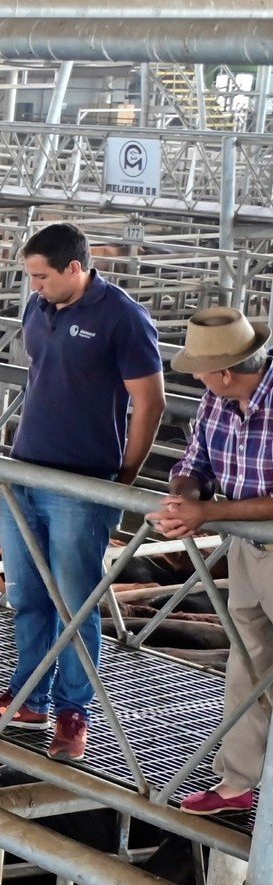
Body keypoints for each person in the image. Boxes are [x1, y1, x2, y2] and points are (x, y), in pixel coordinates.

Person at [0, 222, 165, 764]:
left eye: (42, 276)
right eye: (30, 277)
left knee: (76, 602)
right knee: (26, 594)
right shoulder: (39, 307)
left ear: (76, 268)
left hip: (80, 481)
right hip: (26, 472)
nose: (34, 287)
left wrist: (123, 478)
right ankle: (28, 695)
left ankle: (74, 711)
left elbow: (150, 402)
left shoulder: (122, 317)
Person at [155, 306, 273, 816]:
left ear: (226, 372)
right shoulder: (217, 400)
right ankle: (238, 782)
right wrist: (183, 495)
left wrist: (209, 511)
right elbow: (193, 461)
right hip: (249, 549)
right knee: (246, 660)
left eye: (201, 370)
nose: (196, 377)